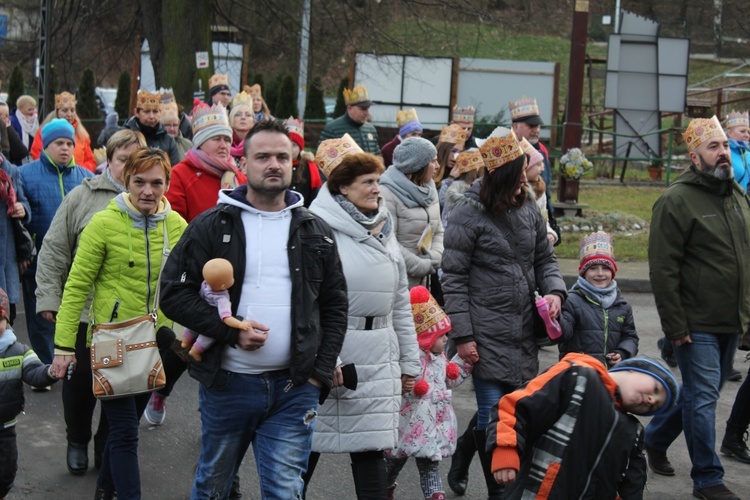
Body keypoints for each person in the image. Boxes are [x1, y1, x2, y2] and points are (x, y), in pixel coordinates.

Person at [159, 119, 348, 499]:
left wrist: (319, 375)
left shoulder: (315, 230)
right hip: (228, 385)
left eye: (282, 156)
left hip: (295, 389)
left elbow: (335, 305)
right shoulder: (210, 225)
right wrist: (230, 331)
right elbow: (174, 295)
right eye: (262, 157)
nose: (274, 164)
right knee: (214, 486)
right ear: (242, 165)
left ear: (294, 162)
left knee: (284, 492)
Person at [50, 147, 187, 500]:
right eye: (139, 181)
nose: (147, 190)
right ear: (126, 180)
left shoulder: (177, 226)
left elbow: (191, 283)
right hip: (111, 342)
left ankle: (104, 489)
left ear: (167, 184)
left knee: (123, 432)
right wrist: (64, 346)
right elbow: (77, 286)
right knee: (126, 432)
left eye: (156, 183)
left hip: (157, 343)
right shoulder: (103, 223)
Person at [440, 129, 567, 498]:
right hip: (483, 333)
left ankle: (464, 457)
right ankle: (501, 491)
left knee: (518, 416)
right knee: (492, 416)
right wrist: (463, 336)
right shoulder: (467, 213)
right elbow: (454, 279)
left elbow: (545, 259)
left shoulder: (528, 207)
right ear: (505, 174)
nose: (529, 177)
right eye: (523, 170)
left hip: (523, 331)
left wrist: (556, 291)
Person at [303, 136, 420, 498]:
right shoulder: (314, 226)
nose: (377, 189)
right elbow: (308, 301)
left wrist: (409, 361)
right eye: (367, 182)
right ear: (342, 186)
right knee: (305, 450)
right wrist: (328, 357)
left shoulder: (382, 225)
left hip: (379, 356)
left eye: (377, 180)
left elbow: (399, 299)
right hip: (336, 355)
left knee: (370, 454)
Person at [644, 115, 750, 500]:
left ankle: (654, 438)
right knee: (704, 398)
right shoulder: (675, 201)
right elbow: (662, 269)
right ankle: (707, 478)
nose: (723, 153)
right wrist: (675, 327)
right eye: (714, 147)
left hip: (730, 320)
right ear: (694, 156)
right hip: (696, 322)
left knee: (701, 392)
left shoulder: (737, 195)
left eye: (725, 146)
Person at [35, 129, 146, 475]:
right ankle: (78, 439)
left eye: (136, 161)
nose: (129, 169)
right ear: (109, 162)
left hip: (131, 317)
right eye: (122, 160)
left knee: (121, 388)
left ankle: (106, 445)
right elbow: (54, 250)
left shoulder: (152, 201)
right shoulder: (83, 197)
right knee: (80, 382)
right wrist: (49, 297)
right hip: (84, 311)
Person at [487, 354, 679, 499]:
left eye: (656, 405)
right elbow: (516, 407)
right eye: (656, 389)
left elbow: (631, 483)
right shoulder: (578, 375)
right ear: (634, 369)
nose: (652, 399)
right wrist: (505, 449)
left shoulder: (633, 432)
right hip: (536, 493)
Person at [384, 286, 473, 500]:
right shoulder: (410, 360)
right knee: (393, 462)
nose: (446, 341)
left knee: (430, 466)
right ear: (425, 337)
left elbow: (451, 380)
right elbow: (396, 384)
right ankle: (383, 489)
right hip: (407, 425)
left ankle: (435, 495)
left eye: (446, 336)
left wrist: (465, 362)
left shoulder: (440, 359)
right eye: (441, 336)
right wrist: (405, 387)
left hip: (432, 428)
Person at [20, 119, 93, 368]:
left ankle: (70, 360)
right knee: (42, 315)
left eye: (69, 143)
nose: (65, 148)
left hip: (79, 260)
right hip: (39, 259)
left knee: (74, 312)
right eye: (58, 143)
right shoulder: (25, 175)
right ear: (46, 145)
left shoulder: (86, 178)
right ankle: (46, 365)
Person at [0, 286, 57, 500]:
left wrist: (51, 371)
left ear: (7, 322)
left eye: (0, 321)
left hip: (5, 428)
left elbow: (35, 372)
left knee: (6, 473)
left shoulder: (19, 351)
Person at [558, 231, 638, 366]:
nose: (600, 274)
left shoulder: (622, 306)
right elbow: (562, 334)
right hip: (578, 372)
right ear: (584, 273)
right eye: (593, 268)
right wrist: (553, 317)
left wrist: (623, 352)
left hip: (610, 375)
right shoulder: (571, 300)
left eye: (605, 268)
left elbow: (630, 337)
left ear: (612, 272)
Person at [379, 137, 445, 289]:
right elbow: (389, 241)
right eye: (433, 161)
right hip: (399, 283)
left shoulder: (429, 190)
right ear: (418, 166)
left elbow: (438, 230)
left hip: (424, 282)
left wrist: (435, 257)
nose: (437, 166)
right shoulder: (387, 194)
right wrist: (420, 266)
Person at [167, 103, 247, 223]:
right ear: (200, 143)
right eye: (216, 139)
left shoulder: (239, 177)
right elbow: (174, 223)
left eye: (227, 140)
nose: (223, 146)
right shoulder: (180, 174)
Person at [30, 92, 97, 171]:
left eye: (72, 110)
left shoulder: (82, 135)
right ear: (57, 112)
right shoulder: (44, 132)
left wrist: (78, 172)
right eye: (65, 110)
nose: (69, 114)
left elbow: (90, 160)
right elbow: (37, 155)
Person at [0, 152, 30, 327]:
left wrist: (23, 209)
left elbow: (25, 203)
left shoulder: (11, 170)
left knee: (6, 325)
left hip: (7, 261)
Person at [122, 90, 181, 166]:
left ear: (160, 112)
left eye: (155, 112)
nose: (151, 117)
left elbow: (174, 170)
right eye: (147, 112)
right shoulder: (124, 137)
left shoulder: (168, 140)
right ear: (136, 112)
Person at [319, 84, 380, 155]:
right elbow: (322, 157)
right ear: (349, 108)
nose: (367, 113)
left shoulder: (371, 129)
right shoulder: (332, 129)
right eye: (363, 109)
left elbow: (378, 157)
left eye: (368, 108)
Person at [520, 137, 558, 245]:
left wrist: (550, 233)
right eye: (537, 165)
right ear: (526, 168)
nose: (542, 168)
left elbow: (543, 219)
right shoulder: (516, 191)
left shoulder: (540, 189)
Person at [285, 117, 323, 208]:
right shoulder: (276, 166)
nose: (289, 149)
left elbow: (315, 194)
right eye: (286, 144)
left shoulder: (309, 167)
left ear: (300, 148)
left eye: (294, 145)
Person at [441, 149, 484, 230]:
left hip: (449, 232)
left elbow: (442, 202)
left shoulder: (454, 186)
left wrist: (450, 179)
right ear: (478, 168)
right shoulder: (481, 188)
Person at [434, 124, 467, 196]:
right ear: (443, 150)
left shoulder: (461, 173)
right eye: (453, 151)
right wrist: (450, 179)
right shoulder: (431, 169)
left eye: (460, 152)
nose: (456, 157)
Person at [228, 91, 255, 168]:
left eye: (248, 115)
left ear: (253, 121)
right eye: (238, 114)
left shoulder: (259, 143)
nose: (243, 117)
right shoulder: (223, 142)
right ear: (231, 120)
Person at [726, 110, 750, 193]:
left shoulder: (747, 153)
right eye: (742, 131)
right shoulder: (724, 153)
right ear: (730, 133)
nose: (747, 135)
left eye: (748, 132)